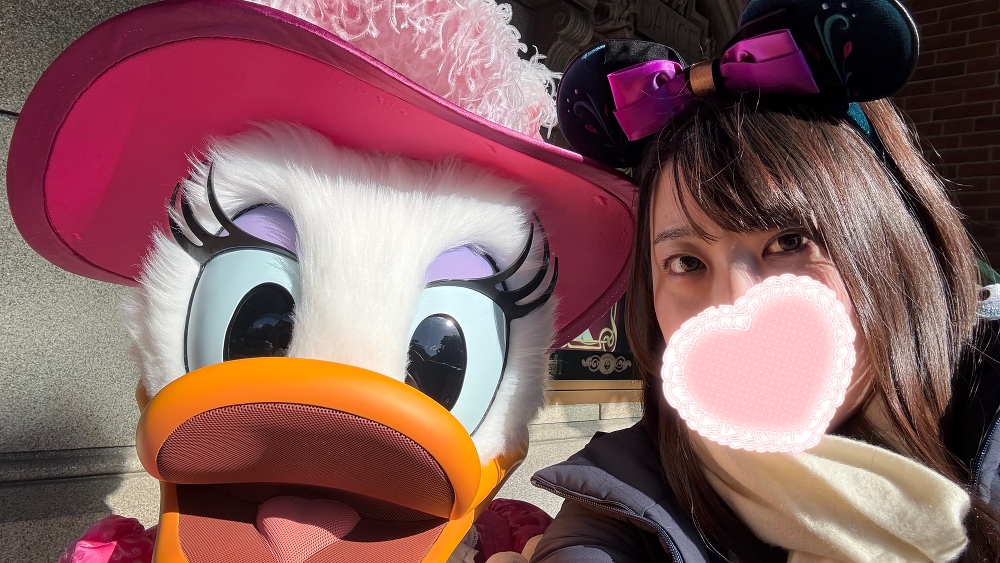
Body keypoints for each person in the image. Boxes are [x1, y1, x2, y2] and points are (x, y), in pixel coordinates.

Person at [529, 0, 1000, 561]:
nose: (735, 301)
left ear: (886, 245)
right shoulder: (625, 493)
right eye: (686, 263)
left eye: (788, 242)